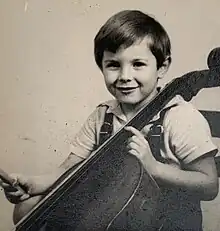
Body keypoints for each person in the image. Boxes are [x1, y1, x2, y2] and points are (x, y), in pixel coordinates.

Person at [0, 10, 219, 230]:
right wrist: (35, 184)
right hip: (113, 215)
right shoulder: (103, 115)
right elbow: (70, 168)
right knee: (26, 209)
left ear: (162, 67)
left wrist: (154, 169)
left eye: (138, 64)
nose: (124, 76)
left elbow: (209, 185)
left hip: (163, 223)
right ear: (102, 66)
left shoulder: (180, 117)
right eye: (113, 64)